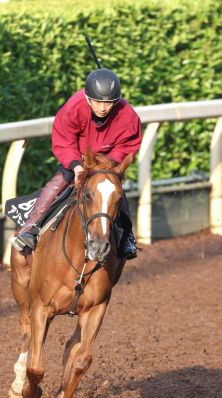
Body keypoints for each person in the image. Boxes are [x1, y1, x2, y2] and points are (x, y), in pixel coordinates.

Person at [12, 68, 142, 259]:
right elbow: (64, 141)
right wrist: (76, 165)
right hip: (78, 159)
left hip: (107, 162)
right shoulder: (74, 107)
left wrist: (107, 164)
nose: (103, 108)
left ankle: (127, 238)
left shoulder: (127, 114)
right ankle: (30, 227)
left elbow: (129, 144)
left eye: (109, 102)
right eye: (98, 101)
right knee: (60, 182)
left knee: (113, 192)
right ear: (88, 98)